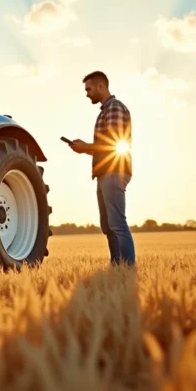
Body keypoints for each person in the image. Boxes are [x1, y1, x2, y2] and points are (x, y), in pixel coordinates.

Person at [66, 71, 136, 267]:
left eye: (88, 89)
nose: (87, 94)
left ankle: (128, 268)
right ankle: (117, 266)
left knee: (117, 224)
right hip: (105, 172)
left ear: (100, 86)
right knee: (108, 227)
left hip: (114, 171)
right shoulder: (105, 111)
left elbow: (114, 144)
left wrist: (86, 146)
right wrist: (83, 149)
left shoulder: (114, 108)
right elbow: (105, 148)